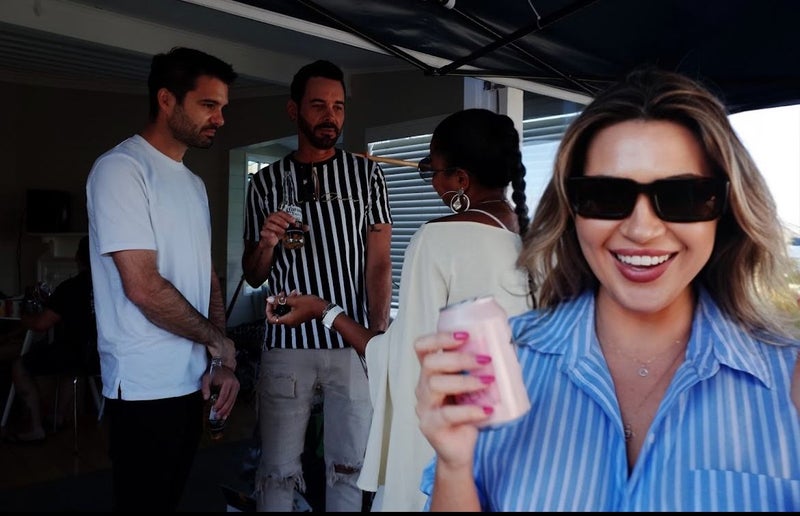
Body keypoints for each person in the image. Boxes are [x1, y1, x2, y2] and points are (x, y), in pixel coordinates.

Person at [413, 67, 800, 511]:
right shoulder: (504, 364)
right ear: (571, 209)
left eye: (684, 196)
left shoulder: (788, 378)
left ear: (724, 211)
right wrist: (454, 464)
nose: (641, 230)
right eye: (605, 195)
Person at [265, 108, 534, 511]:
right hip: (511, 451)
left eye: (433, 171)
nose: (433, 183)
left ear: (461, 180)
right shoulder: (533, 243)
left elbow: (405, 365)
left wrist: (323, 311)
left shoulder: (437, 241)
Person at [85, 47, 240, 511]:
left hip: (191, 381)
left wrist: (218, 357)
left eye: (222, 107)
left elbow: (207, 278)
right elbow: (144, 288)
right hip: (143, 385)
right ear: (167, 100)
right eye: (208, 105)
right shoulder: (121, 169)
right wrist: (218, 341)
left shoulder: (193, 184)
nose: (220, 119)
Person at [241, 59, 393, 512]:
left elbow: (379, 263)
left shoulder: (367, 176)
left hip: (351, 343)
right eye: (318, 105)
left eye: (338, 106)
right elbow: (254, 275)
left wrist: (376, 340)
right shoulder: (264, 183)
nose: (331, 116)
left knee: (349, 467)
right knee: (278, 470)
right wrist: (266, 242)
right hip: (286, 344)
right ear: (294, 110)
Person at [3, 235, 97, 443]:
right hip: (100, 358)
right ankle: (58, 417)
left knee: (20, 365)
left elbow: (41, 325)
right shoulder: (109, 286)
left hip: (75, 355)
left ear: (78, 258)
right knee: (72, 368)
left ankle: (35, 428)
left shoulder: (71, 288)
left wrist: (25, 318)